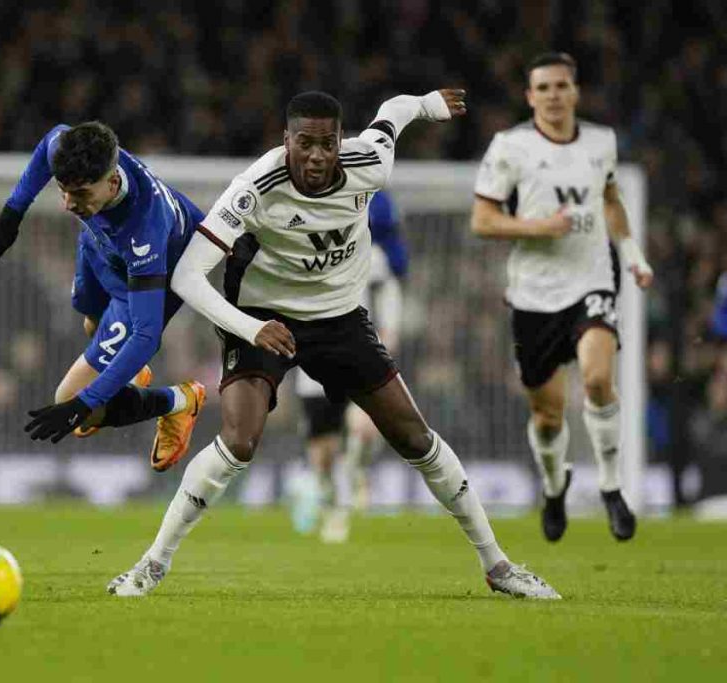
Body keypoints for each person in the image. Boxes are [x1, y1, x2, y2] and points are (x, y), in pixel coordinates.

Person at [108, 88, 560, 599]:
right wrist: (250, 328)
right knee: (240, 439)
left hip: (339, 319)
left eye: (327, 143)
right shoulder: (255, 187)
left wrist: (429, 103)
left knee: (414, 437)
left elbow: (393, 113)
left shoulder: (371, 164)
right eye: (305, 144)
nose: (317, 156)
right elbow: (188, 276)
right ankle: (151, 565)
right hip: (264, 319)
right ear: (287, 141)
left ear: (341, 142)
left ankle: (498, 566)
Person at [471, 52, 654, 542]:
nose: (553, 95)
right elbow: (482, 220)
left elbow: (611, 200)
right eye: (543, 88)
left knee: (597, 380)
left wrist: (632, 253)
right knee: (548, 415)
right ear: (530, 96)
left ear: (575, 92)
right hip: (533, 294)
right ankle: (555, 485)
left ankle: (613, 487)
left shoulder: (601, 143)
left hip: (592, 281)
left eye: (561, 86)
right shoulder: (510, 147)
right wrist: (538, 227)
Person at [0, 121, 205, 471]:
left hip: (146, 278)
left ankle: (180, 401)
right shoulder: (77, 155)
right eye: (64, 190)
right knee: (91, 321)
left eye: (80, 195)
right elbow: (50, 139)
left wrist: (84, 403)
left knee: (76, 406)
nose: (68, 204)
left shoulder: (145, 229)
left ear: (113, 182)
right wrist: (10, 217)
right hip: (99, 247)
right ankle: (130, 374)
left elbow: (147, 336)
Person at [291, 190, 408, 542]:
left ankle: (355, 481)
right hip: (313, 363)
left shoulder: (375, 259)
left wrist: (386, 343)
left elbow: (390, 304)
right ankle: (330, 501)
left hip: (360, 355)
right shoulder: (302, 251)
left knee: (363, 427)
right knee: (322, 451)